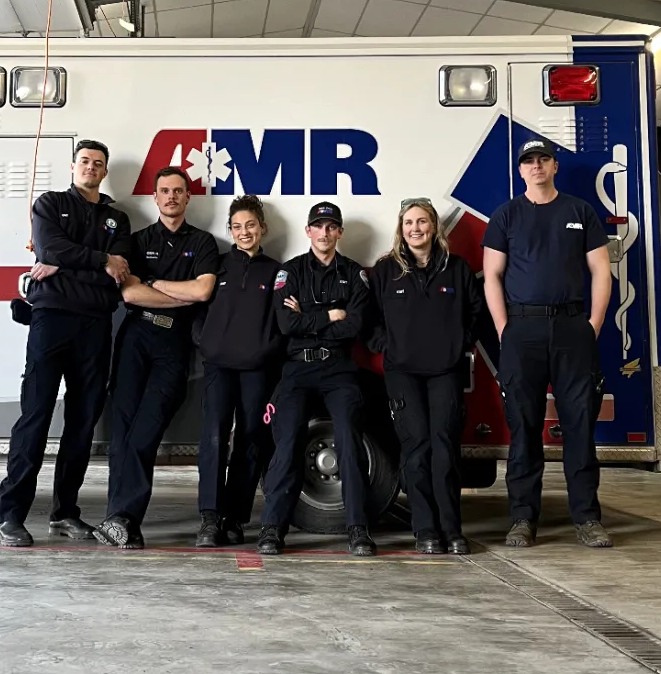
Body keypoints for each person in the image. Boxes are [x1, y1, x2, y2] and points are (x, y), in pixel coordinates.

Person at [0, 139, 132, 548]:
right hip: (50, 321)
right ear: (74, 167)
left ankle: (65, 514)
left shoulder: (117, 219)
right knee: (34, 419)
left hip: (95, 326)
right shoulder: (50, 204)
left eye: (98, 163)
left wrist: (65, 265)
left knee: (82, 424)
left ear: (105, 172)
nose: (91, 167)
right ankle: (10, 516)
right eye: (85, 161)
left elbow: (118, 273)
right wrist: (97, 259)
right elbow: (52, 248)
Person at [482, 137, 613, 549]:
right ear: (520, 171)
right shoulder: (505, 216)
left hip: (574, 329)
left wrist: (592, 324)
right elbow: (492, 277)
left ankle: (587, 519)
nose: (536, 166)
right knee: (523, 430)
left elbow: (601, 272)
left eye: (543, 160)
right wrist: (505, 329)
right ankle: (522, 518)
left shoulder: (580, 211)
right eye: (529, 162)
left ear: (554, 166)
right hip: (522, 331)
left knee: (579, 428)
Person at [94, 167, 219, 549]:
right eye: (164, 191)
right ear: (155, 196)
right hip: (135, 337)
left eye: (178, 191)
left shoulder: (203, 243)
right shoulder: (136, 240)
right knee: (123, 433)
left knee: (145, 432)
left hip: (173, 344)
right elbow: (130, 295)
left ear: (187, 197)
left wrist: (157, 285)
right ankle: (121, 522)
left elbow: (203, 292)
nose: (171, 197)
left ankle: (122, 519)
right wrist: (178, 294)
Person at [257, 201, 376, 557]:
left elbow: (355, 325)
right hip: (297, 369)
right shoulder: (289, 272)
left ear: (339, 232)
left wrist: (310, 314)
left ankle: (357, 529)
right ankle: (272, 529)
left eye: (331, 226)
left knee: (348, 440)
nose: (324, 233)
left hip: (339, 369)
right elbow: (286, 324)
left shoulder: (355, 274)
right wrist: (331, 314)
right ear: (307, 231)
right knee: (288, 440)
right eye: (318, 226)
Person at [368, 198, 483, 555]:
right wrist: (386, 346)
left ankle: (451, 528)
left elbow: (476, 313)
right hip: (403, 374)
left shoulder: (457, 269)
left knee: (445, 449)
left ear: (434, 227)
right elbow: (368, 317)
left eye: (422, 222)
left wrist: (458, 343)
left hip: (445, 372)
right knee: (415, 449)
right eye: (408, 223)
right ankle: (426, 530)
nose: (415, 229)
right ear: (400, 230)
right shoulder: (385, 271)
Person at [193, 195, 284, 548]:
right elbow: (198, 311)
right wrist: (206, 343)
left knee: (250, 440)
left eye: (250, 225)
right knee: (214, 438)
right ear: (229, 231)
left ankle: (235, 519)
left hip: (258, 371)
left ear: (262, 228)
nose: (244, 232)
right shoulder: (216, 266)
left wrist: (266, 350)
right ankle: (210, 518)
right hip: (218, 367)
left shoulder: (277, 271)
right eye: (237, 226)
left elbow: (282, 322)